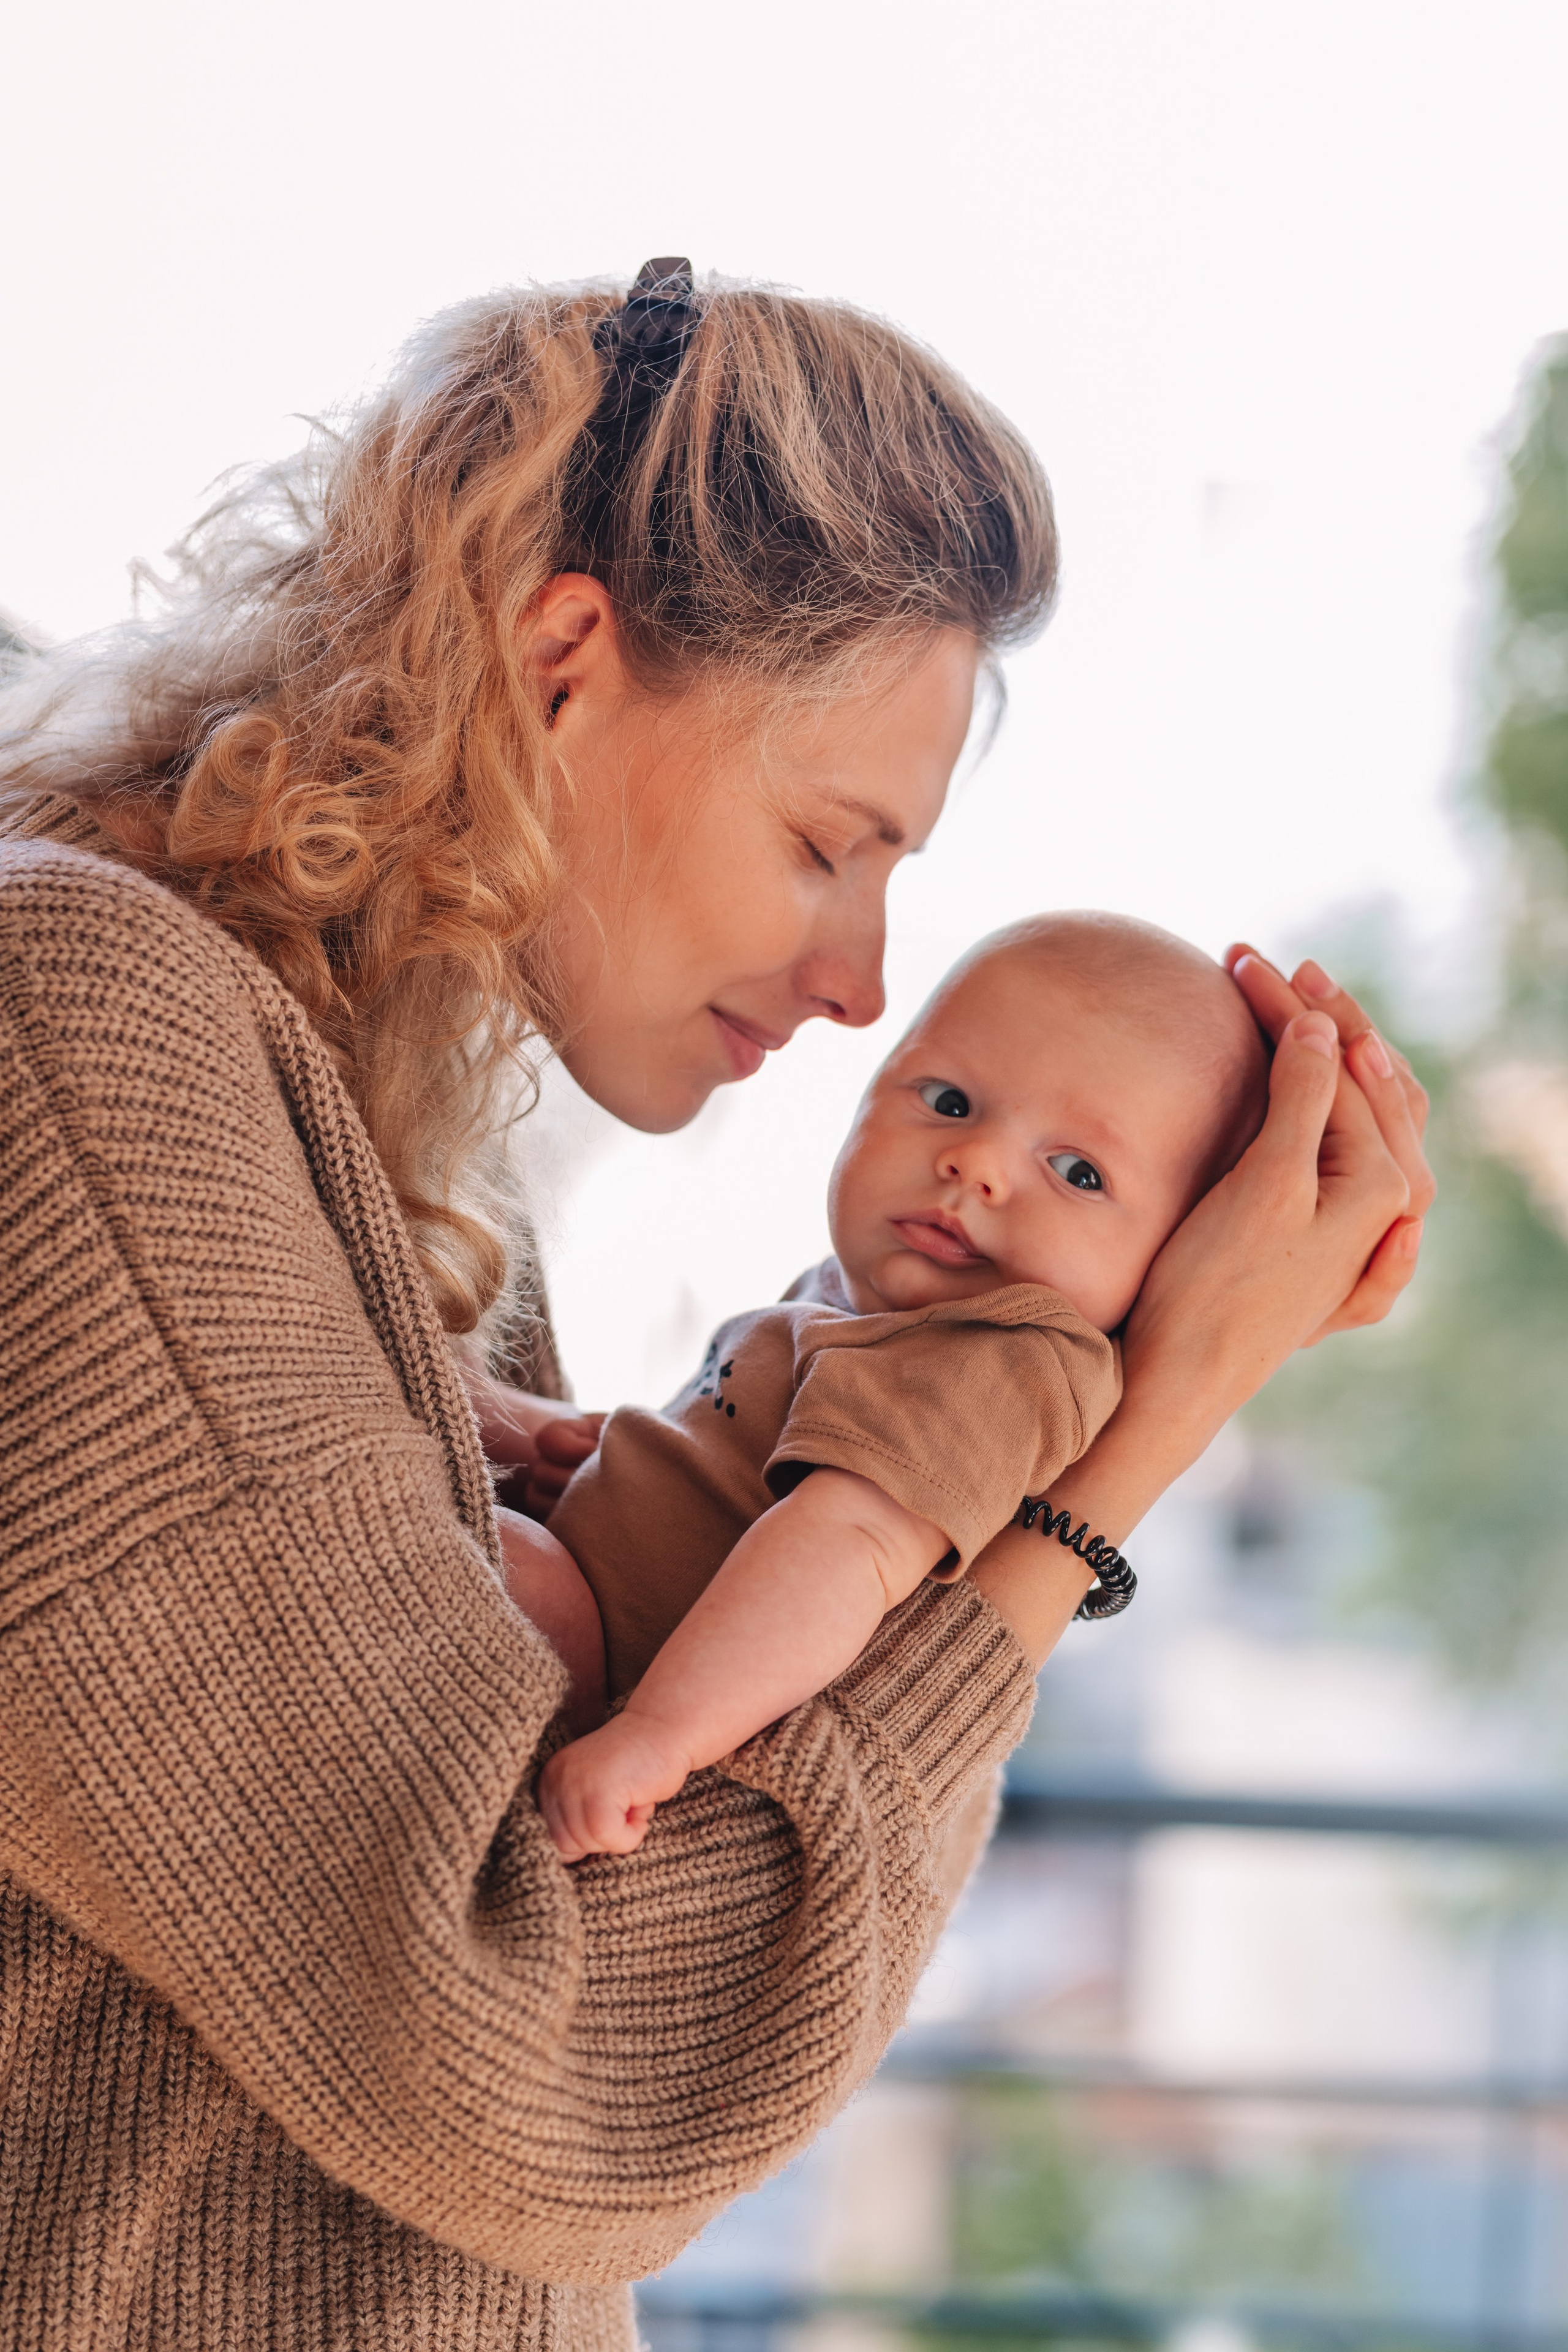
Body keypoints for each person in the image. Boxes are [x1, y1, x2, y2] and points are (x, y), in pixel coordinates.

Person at [0, 261, 1431, 2351]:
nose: (865, 985)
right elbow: (552, 2081)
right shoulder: (79, 1027)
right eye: (828, 843)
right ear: (566, 657)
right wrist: (1112, 1448)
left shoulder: (405, 1179)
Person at [532, 912, 1270, 1858]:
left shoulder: (1004, 1352)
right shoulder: (868, 1299)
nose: (978, 1164)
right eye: (951, 1101)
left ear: (1176, 1259)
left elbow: (849, 1546)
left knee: (485, 1552)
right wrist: (617, 1467)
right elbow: (751, 1469)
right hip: (602, 1630)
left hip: (629, 1692)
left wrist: (658, 1737)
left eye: (1079, 1171)